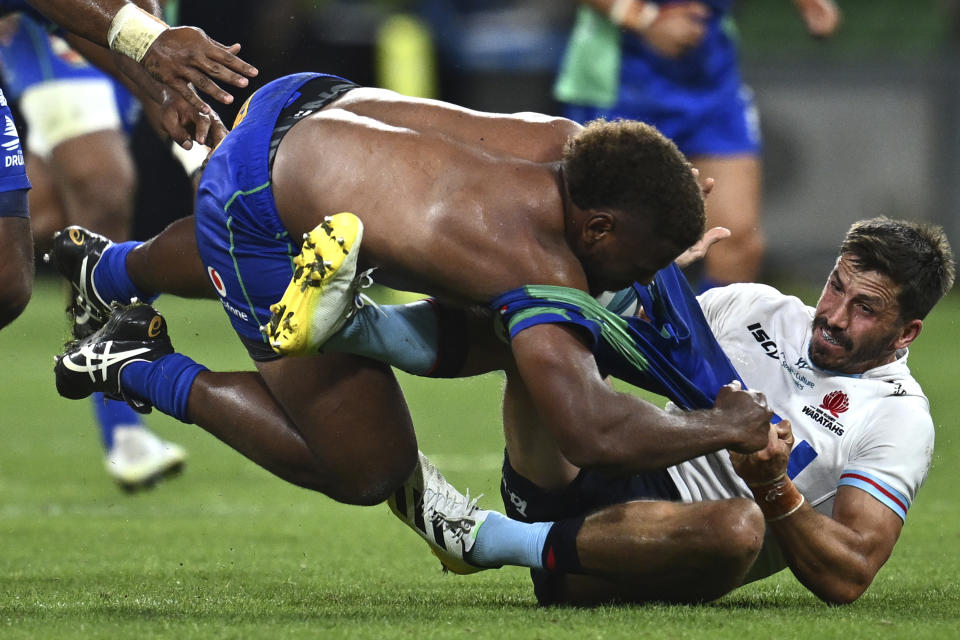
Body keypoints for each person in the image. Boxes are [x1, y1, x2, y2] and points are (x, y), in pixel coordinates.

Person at [48, 71, 776, 512]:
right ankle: (129, 361)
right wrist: (727, 427)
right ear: (597, 228)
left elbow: (639, 187)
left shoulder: (570, 141)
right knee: (370, 470)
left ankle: (110, 271)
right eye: (644, 261)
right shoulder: (537, 266)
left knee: (491, 329)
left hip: (304, 106)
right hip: (258, 208)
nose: (646, 279)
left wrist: (664, 216)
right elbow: (592, 430)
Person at [387, 217, 955, 606]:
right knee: (544, 317)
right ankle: (367, 326)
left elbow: (852, 572)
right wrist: (640, 277)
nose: (832, 314)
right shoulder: (756, 305)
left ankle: (489, 539)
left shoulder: (897, 418)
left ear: (907, 332)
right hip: (586, 465)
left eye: (864, 309)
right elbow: (626, 341)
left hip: (652, 551)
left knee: (740, 526)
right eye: (835, 286)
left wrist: (775, 488)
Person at [0, 11, 188, 489]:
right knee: (103, 198)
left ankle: (120, 421)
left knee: (33, 233)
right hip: (65, 40)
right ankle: (121, 426)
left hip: (119, 49)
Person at [0, 0, 256, 335]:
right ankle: (105, 369)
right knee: (103, 184)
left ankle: (99, 359)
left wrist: (198, 157)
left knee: (12, 275)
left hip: (105, 29)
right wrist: (151, 39)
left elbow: (122, 38)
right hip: (54, 37)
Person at [554, 0, 841, 289]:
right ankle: (598, 329)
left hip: (711, 81)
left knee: (737, 241)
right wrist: (643, 18)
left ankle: (711, 333)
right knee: (611, 236)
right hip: (619, 81)